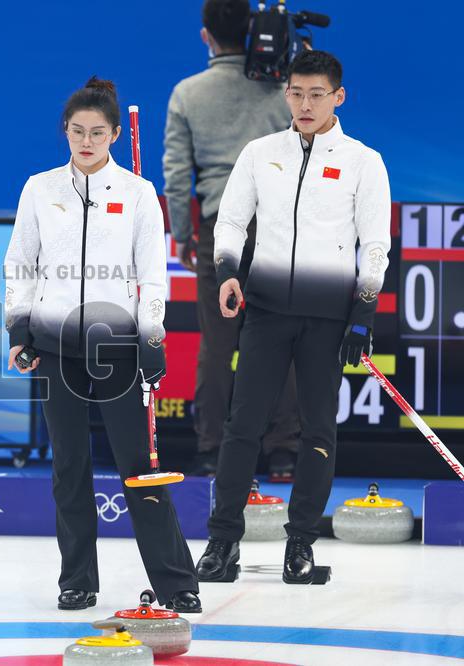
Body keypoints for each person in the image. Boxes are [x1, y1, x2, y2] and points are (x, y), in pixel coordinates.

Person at [4, 77, 200, 613]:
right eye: (76, 132)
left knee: (140, 464)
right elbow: (20, 262)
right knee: (69, 464)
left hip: (118, 347)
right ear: (64, 132)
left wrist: (153, 337)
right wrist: (18, 326)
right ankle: (77, 580)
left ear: (115, 133)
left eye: (96, 132)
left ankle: (175, 582)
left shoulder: (138, 195)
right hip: (57, 344)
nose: (86, 141)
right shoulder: (39, 188)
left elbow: (153, 276)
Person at [196, 50, 391, 583]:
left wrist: (363, 310)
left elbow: (375, 243)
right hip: (266, 311)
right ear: (286, 93)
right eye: (297, 93)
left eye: (317, 94)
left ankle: (301, 544)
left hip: (328, 320)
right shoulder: (260, 153)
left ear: (338, 97)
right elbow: (231, 220)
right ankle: (221, 543)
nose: (305, 104)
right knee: (243, 428)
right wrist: (229, 270)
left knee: (317, 430)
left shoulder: (363, 161)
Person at [163, 0, 301, 479]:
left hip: (218, 231)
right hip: (277, 230)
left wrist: (183, 234)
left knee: (217, 345)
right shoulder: (282, 89)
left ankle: (210, 451)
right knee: (280, 341)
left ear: (206, 36)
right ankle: (283, 452)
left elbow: (177, 176)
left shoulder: (186, 94)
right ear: (255, 30)